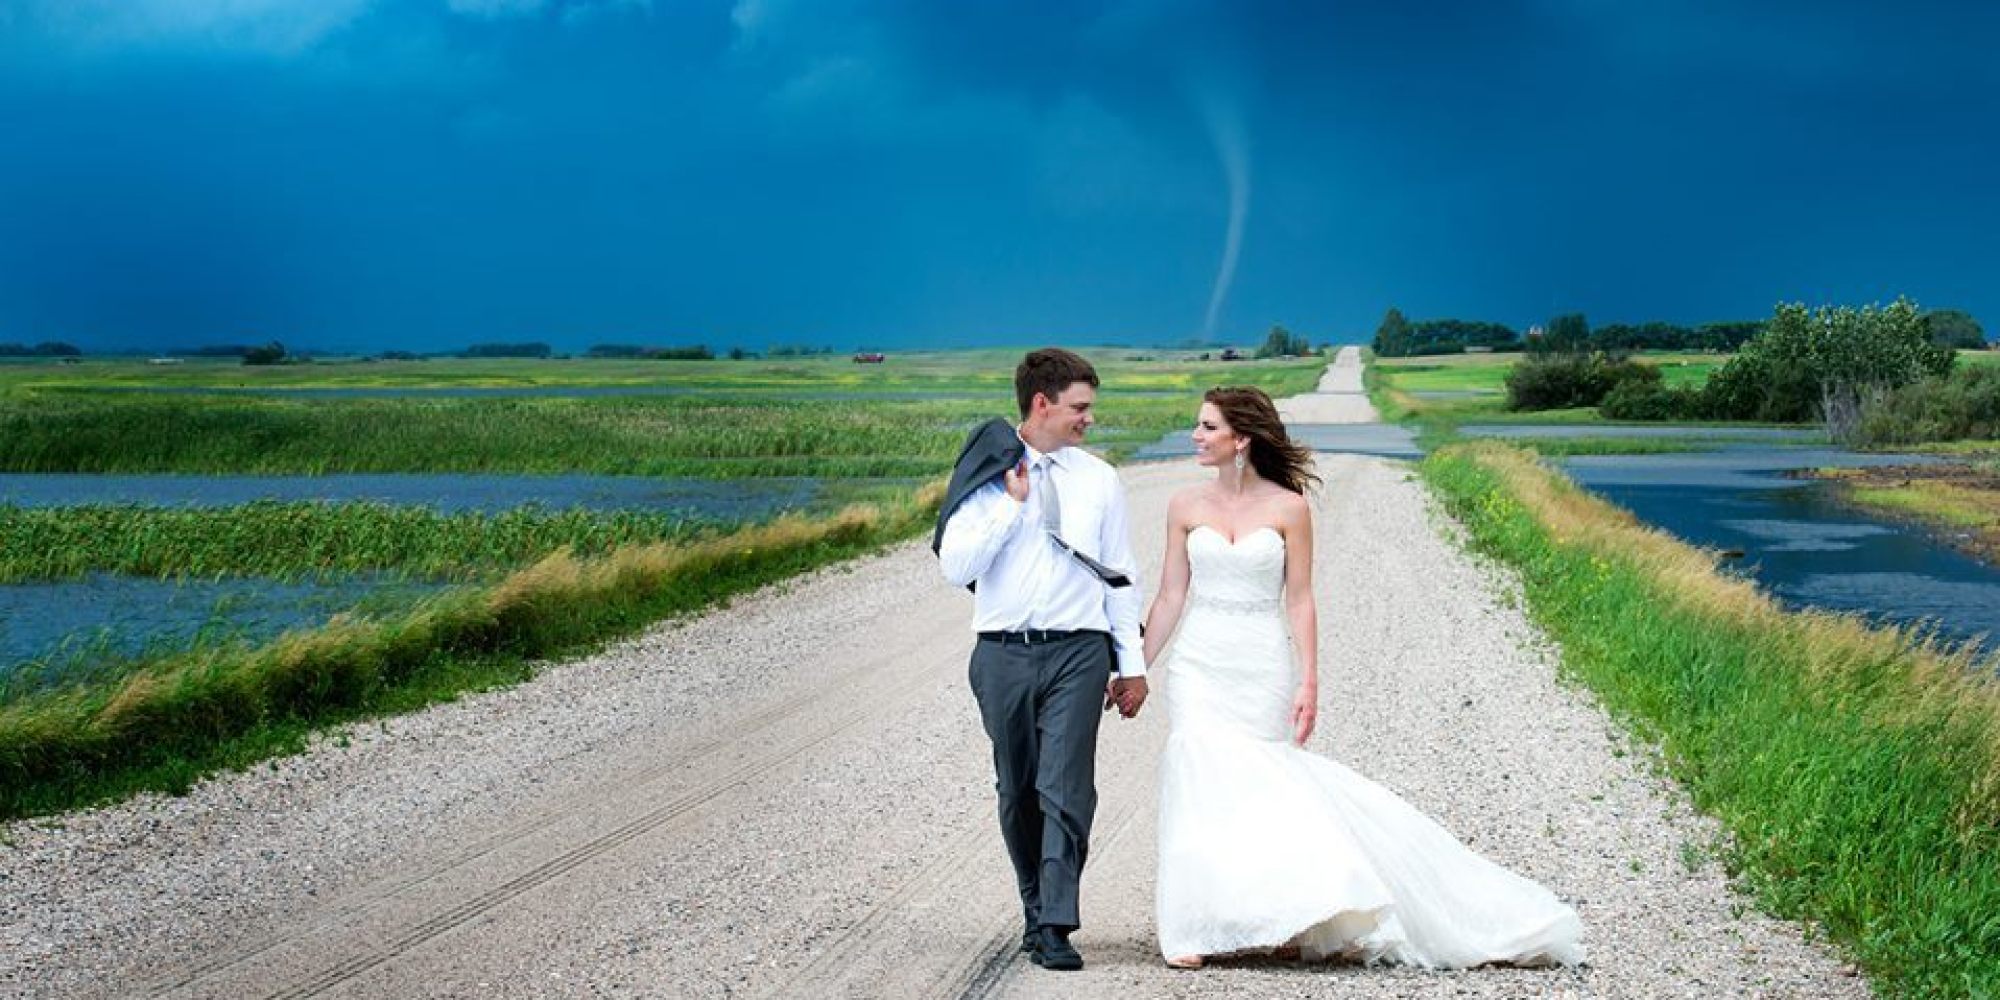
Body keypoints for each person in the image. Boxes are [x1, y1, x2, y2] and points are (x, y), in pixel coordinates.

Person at [1143, 386, 1584, 970]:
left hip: (1260, 657)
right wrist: (1135, 667)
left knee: (1267, 783)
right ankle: (1194, 926)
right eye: (1197, 426)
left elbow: (1299, 600)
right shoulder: (1184, 505)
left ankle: (1284, 912)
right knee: (1198, 773)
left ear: (1240, 439)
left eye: (1207, 427)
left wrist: (1309, 680)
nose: (1195, 436)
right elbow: (1171, 594)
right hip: (1200, 659)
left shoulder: (1288, 508)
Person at [934, 348, 1148, 972]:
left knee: (1067, 787)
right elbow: (956, 567)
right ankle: (1034, 908)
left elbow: (1121, 577)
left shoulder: (1101, 479)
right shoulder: (988, 475)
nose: (1088, 419)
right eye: (1080, 407)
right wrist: (1012, 506)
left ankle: (1057, 922)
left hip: (1079, 653)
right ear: (1042, 404)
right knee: (1017, 790)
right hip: (1002, 653)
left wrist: (1129, 664)